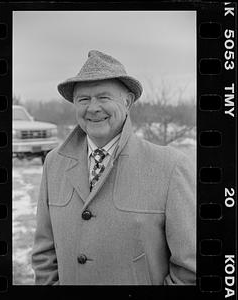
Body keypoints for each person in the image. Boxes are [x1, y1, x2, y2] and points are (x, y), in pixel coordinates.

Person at [31, 50, 196, 285]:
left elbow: (189, 269)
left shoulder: (171, 167)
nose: (93, 108)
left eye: (104, 97)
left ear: (127, 101)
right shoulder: (54, 163)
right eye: (84, 99)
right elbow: (44, 256)